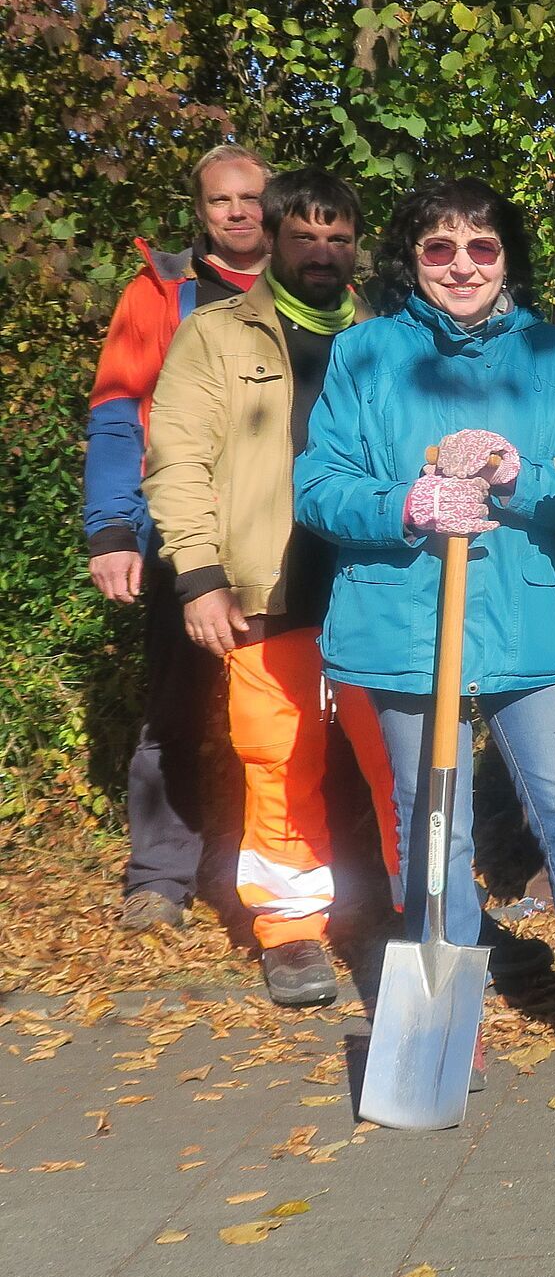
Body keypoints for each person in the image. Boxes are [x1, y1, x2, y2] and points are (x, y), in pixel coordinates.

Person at [295, 177, 555, 1082]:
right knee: (434, 828)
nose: (462, 265)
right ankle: (446, 1016)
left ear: (507, 257)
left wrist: (513, 472)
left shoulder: (550, 356)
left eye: (482, 247)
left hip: (529, 622)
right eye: (439, 248)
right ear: (411, 258)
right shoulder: (366, 355)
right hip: (405, 626)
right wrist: (408, 503)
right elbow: (317, 486)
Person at [142, 168, 393, 1005]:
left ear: (357, 245)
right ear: (274, 237)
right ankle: (290, 930)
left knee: (397, 761)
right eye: (305, 235)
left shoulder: (385, 337)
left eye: (339, 237)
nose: (322, 251)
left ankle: (408, 910)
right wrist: (200, 577)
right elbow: (175, 460)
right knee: (279, 759)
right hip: (267, 585)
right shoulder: (214, 335)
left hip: (374, 583)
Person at [87, 142, 272, 930]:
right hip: (185, 535)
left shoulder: (317, 287)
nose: (238, 212)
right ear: (199, 212)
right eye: (221, 201)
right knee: (178, 706)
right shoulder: (162, 293)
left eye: (252, 198)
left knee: (294, 713)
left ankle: (286, 874)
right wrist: (112, 527)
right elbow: (119, 414)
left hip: (281, 538)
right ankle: (160, 878)